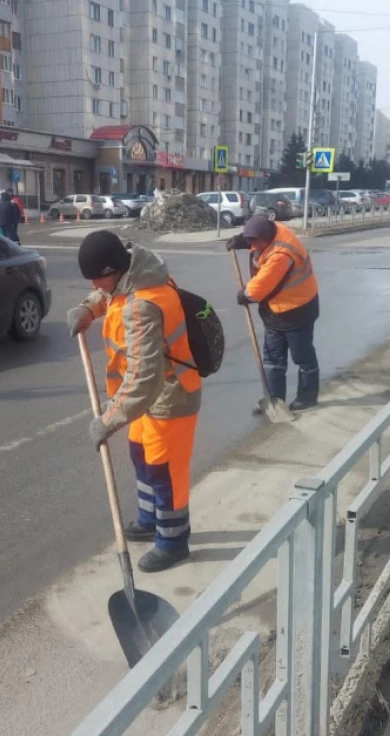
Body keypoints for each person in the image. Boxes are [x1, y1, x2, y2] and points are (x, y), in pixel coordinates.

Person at [67, 230, 201, 573]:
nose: (96, 284)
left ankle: (173, 541)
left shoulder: (144, 304)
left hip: (169, 395)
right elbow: (107, 295)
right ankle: (149, 519)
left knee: (164, 471)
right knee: (141, 456)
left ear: (115, 269)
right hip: (146, 399)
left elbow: (144, 377)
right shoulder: (133, 275)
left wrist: (108, 420)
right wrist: (86, 309)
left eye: (99, 277)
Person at [228, 214, 320, 412]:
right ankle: (274, 399)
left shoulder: (281, 255)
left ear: (266, 238)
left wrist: (244, 295)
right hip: (275, 310)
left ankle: (307, 396)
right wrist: (242, 241)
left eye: (254, 241)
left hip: (298, 309)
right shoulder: (273, 229)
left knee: (302, 356)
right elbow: (259, 237)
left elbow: (257, 291)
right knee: (272, 357)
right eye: (250, 241)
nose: (253, 246)